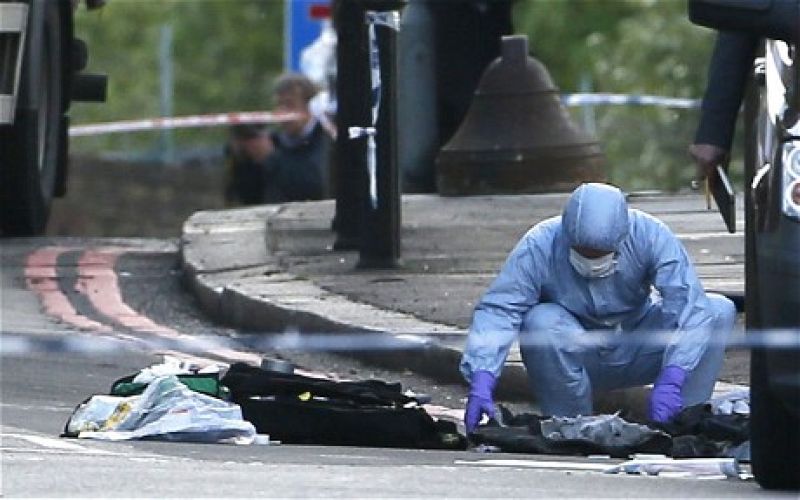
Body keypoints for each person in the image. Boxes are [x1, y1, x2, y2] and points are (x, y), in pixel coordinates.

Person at [461, 183, 736, 433]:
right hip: (575, 352)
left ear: (622, 238)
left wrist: (674, 375)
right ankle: (569, 426)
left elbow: (689, 307)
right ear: (567, 236)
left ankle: (685, 421)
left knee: (716, 311)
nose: (592, 262)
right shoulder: (539, 244)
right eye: (582, 252)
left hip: (639, 342)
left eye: (602, 254)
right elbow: (499, 310)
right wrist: (482, 377)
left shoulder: (650, 235)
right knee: (540, 321)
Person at [224, 73, 332, 205]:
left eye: (289, 104)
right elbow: (249, 197)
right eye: (279, 104)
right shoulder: (276, 142)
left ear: (311, 108)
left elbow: (316, 186)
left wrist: (271, 158)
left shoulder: (327, 140)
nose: (282, 112)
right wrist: (243, 160)